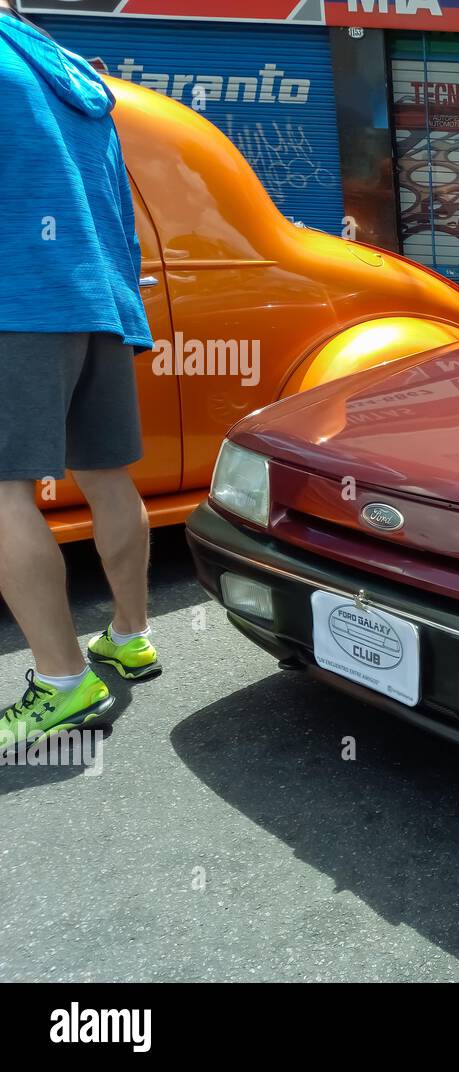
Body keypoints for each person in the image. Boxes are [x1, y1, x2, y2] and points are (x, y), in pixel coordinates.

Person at [0, 0, 161, 751]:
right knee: (106, 476)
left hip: (17, 297)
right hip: (98, 296)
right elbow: (115, 204)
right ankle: (129, 636)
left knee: (1, 495)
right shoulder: (61, 63)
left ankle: (62, 684)